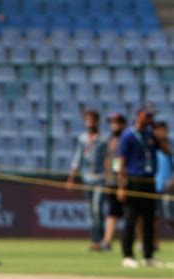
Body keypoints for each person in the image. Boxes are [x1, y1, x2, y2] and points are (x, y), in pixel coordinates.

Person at [117, 105, 172, 268]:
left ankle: (148, 255)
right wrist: (121, 186)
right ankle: (127, 255)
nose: (150, 120)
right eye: (147, 116)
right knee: (131, 219)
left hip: (149, 181)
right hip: (134, 180)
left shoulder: (150, 134)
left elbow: (168, 152)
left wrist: (160, 137)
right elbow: (122, 162)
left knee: (149, 219)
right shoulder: (128, 135)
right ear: (139, 116)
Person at [67, 108, 107, 251]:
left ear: (97, 121)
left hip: (100, 178)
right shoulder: (82, 138)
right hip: (87, 178)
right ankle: (95, 240)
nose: (89, 122)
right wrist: (71, 178)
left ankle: (100, 240)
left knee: (97, 209)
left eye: (92, 119)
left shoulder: (103, 139)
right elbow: (77, 158)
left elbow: (109, 158)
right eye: (87, 119)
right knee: (90, 211)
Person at [99, 112, 127, 251]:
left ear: (123, 123)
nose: (114, 125)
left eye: (116, 122)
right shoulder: (110, 139)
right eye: (112, 122)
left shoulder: (127, 138)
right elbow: (107, 159)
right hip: (111, 181)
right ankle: (107, 241)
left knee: (134, 214)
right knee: (112, 212)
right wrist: (106, 176)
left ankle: (141, 243)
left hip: (126, 181)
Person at [153, 120, 174, 247]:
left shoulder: (170, 145)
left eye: (162, 129)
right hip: (153, 186)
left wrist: (172, 181)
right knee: (153, 217)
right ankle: (154, 243)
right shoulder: (151, 145)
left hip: (168, 188)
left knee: (169, 217)